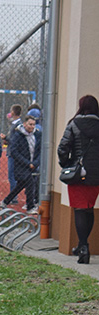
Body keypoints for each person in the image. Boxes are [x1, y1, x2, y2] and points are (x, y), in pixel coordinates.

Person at [57, 94, 99, 264]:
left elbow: (62, 148)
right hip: (96, 174)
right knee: (89, 208)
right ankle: (83, 245)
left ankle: (83, 246)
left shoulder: (74, 124)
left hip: (78, 173)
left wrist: (67, 164)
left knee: (79, 210)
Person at [2, 115, 41, 214]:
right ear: (24, 124)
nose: (31, 127)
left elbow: (40, 151)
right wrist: (27, 163)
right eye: (30, 124)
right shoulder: (18, 135)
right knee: (29, 182)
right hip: (21, 165)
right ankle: (30, 206)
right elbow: (14, 152)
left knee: (20, 185)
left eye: (33, 125)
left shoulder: (38, 135)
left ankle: (5, 201)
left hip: (33, 165)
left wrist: (35, 163)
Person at [1, 104, 23, 202]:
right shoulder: (16, 124)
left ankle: (14, 197)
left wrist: (5, 138)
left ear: (13, 112)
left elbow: (14, 140)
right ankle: (14, 196)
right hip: (14, 152)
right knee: (12, 175)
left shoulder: (17, 125)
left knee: (12, 176)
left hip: (13, 153)